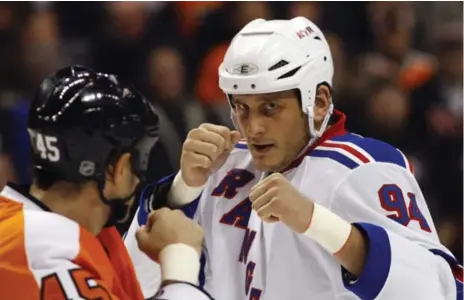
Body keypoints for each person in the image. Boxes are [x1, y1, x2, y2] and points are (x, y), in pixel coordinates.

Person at [125, 17, 463, 299]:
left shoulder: (365, 167)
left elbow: (442, 289)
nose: (253, 127)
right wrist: (183, 188)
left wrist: (319, 223)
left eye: (270, 107)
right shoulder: (223, 165)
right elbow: (135, 276)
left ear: (317, 102)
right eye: (241, 107)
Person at [0, 65, 213, 300]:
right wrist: (180, 259)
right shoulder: (39, 249)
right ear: (119, 168)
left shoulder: (74, 232)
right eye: (140, 160)